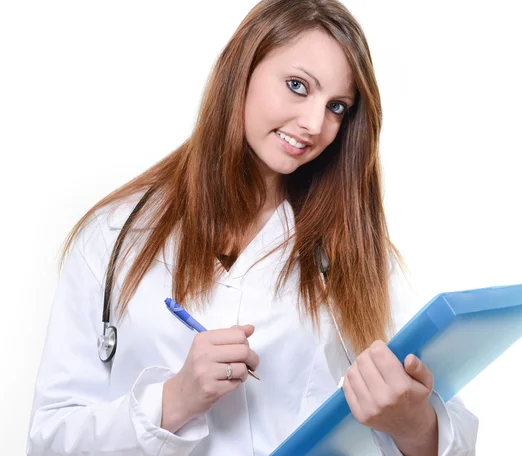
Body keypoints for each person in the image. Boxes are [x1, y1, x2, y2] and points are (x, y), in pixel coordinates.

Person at [27, 0, 478, 454]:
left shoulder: (350, 249)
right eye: (298, 86)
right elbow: (48, 440)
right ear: (242, 68)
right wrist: (172, 402)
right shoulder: (116, 236)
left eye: (337, 107)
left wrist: (414, 425)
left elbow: (452, 434)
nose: (314, 124)